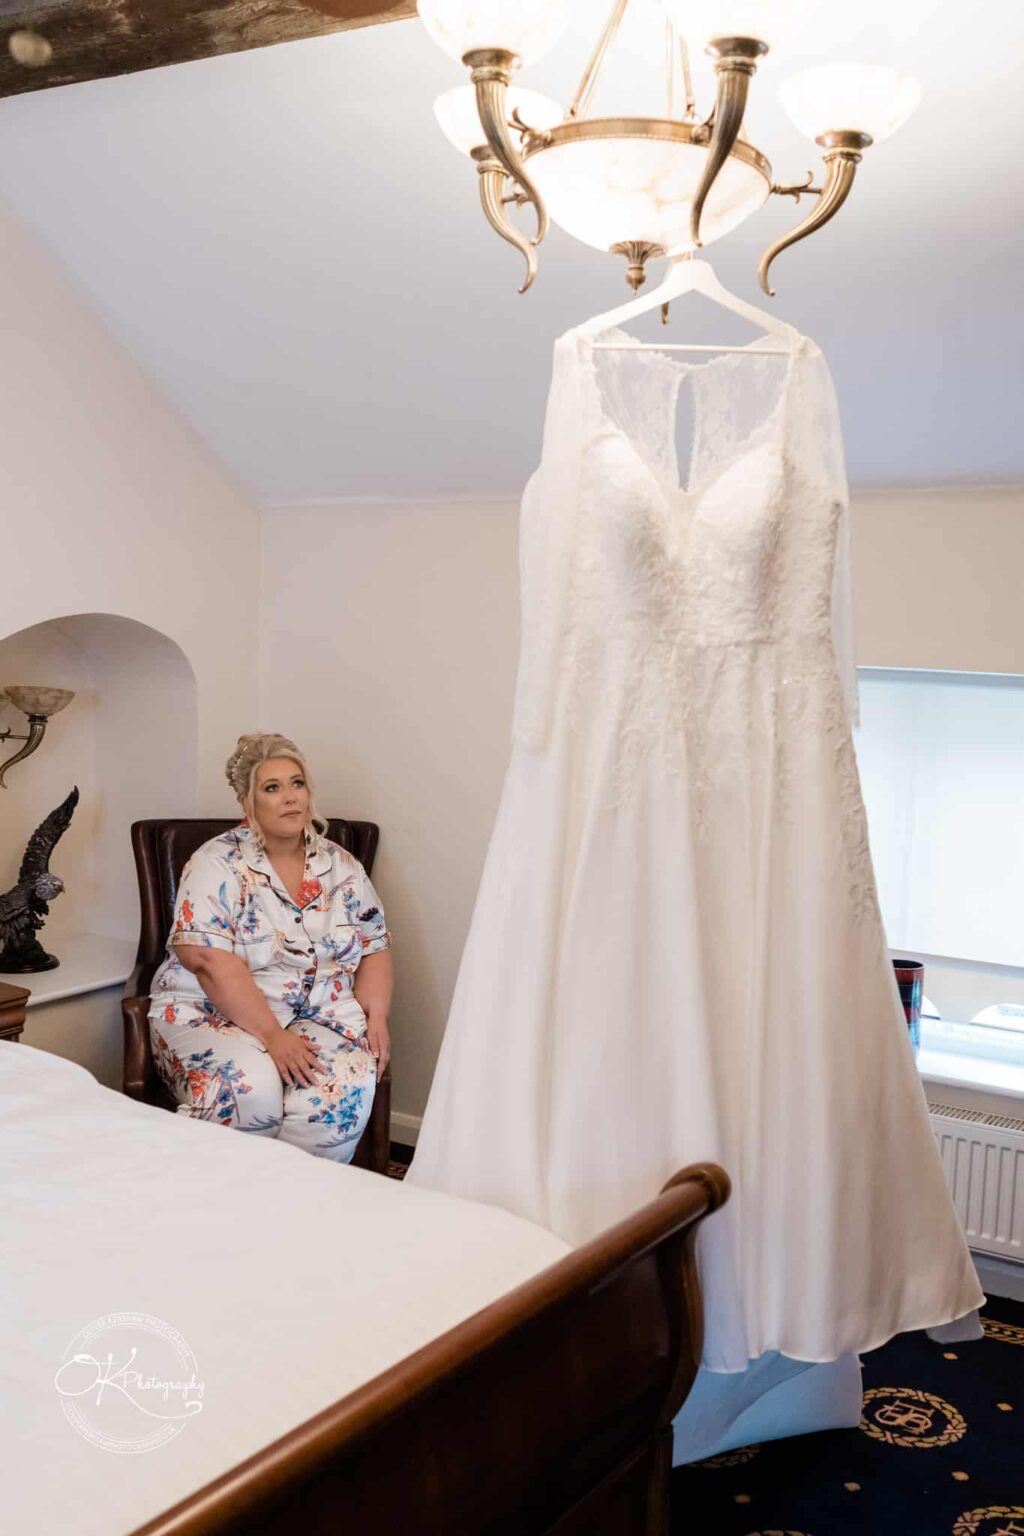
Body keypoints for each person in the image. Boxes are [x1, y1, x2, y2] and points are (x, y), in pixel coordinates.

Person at [148, 733, 392, 1163]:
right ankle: (215, 1206)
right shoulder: (215, 863)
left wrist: (377, 1020)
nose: (289, 798)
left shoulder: (340, 864)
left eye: (297, 784)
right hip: (210, 1011)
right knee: (250, 1090)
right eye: (271, 788)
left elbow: (375, 944)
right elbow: (207, 960)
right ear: (246, 801)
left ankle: (296, 1209)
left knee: (343, 1085)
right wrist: (272, 1036)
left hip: (317, 1015)